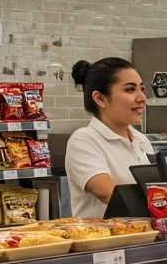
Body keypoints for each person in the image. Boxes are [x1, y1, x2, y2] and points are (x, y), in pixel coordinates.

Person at [65, 58, 154, 218]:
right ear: (100, 98)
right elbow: (110, 194)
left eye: (142, 89)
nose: (142, 98)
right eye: (130, 90)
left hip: (146, 232)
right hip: (101, 234)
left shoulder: (141, 140)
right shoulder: (84, 141)